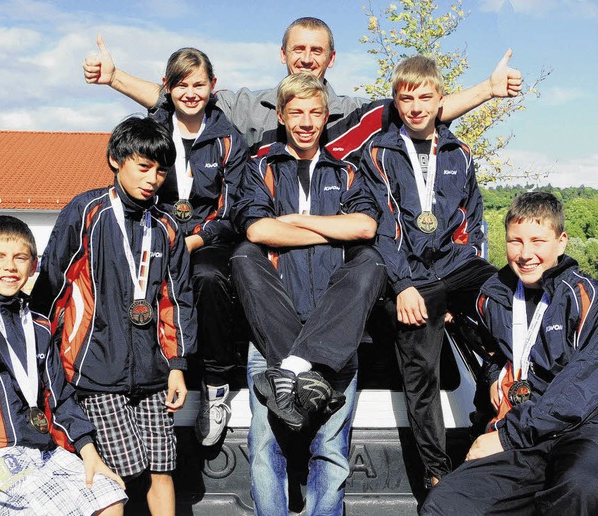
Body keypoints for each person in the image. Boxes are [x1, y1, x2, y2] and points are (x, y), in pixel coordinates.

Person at [230, 73, 386, 515]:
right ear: (280, 116)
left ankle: (302, 363)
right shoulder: (261, 168)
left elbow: (364, 227)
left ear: (325, 117)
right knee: (265, 452)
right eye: (296, 112)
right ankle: (295, 362)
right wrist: (326, 227)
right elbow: (258, 229)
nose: (305, 121)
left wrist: (295, 222)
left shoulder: (350, 169)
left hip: (335, 340)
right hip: (272, 337)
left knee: (330, 454)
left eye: (314, 113)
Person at [31, 116, 196, 516]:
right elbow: (52, 287)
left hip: (155, 374)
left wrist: (177, 366)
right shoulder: (85, 211)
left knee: (161, 470)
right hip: (96, 370)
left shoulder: (168, 226)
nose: (153, 179)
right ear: (115, 160)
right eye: (143, 167)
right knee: (117, 476)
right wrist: (40, 361)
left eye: (160, 170)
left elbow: (178, 301)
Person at [82, 18, 523, 163]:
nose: (307, 58)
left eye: (317, 51)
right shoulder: (247, 106)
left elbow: (423, 110)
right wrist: (115, 77)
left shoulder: (353, 112)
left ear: (332, 59)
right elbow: (180, 96)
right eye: (299, 50)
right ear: (283, 55)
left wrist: (487, 88)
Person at [361, 55, 497, 488]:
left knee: (503, 297)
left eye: (425, 96)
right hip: (410, 282)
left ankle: (495, 426)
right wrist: (403, 286)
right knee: (421, 367)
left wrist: (457, 284)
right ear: (396, 103)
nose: (417, 106)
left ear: (441, 99)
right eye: (407, 98)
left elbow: (472, 224)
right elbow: (384, 231)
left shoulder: (460, 153)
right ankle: (437, 475)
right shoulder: (378, 153)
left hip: (453, 273)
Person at [421, 191, 598, 515]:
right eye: (516, 241)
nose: (526, 253)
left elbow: (581, 384)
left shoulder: (586, 296)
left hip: (580, 430)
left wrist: (507, 436)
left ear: (561, 242)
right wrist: (492, 375)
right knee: (444, 505)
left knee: (579, 487)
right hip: (522, 428)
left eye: (538, 241)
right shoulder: (492, 297)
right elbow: (493, 349)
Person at [0, 215, 126, 515]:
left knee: (109, 495)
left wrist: (90, 453)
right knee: (44, 506)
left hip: (42, 450)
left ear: (33, 266)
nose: (9, 266)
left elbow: (60, 396)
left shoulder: (39, 326)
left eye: (20, 257)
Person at [148, 47, 247, 447]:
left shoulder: (229, 139)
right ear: (167, 87)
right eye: (182, 84)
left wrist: (194, 240)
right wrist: (164, 239)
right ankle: (148, 387)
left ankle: (215, 384)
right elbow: (138, 188)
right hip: (156, 235)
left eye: (199, 84)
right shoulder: (149, 131)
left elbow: (232, 208)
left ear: (212, 86)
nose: (190, 92)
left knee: (206, 276)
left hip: (208, 238)